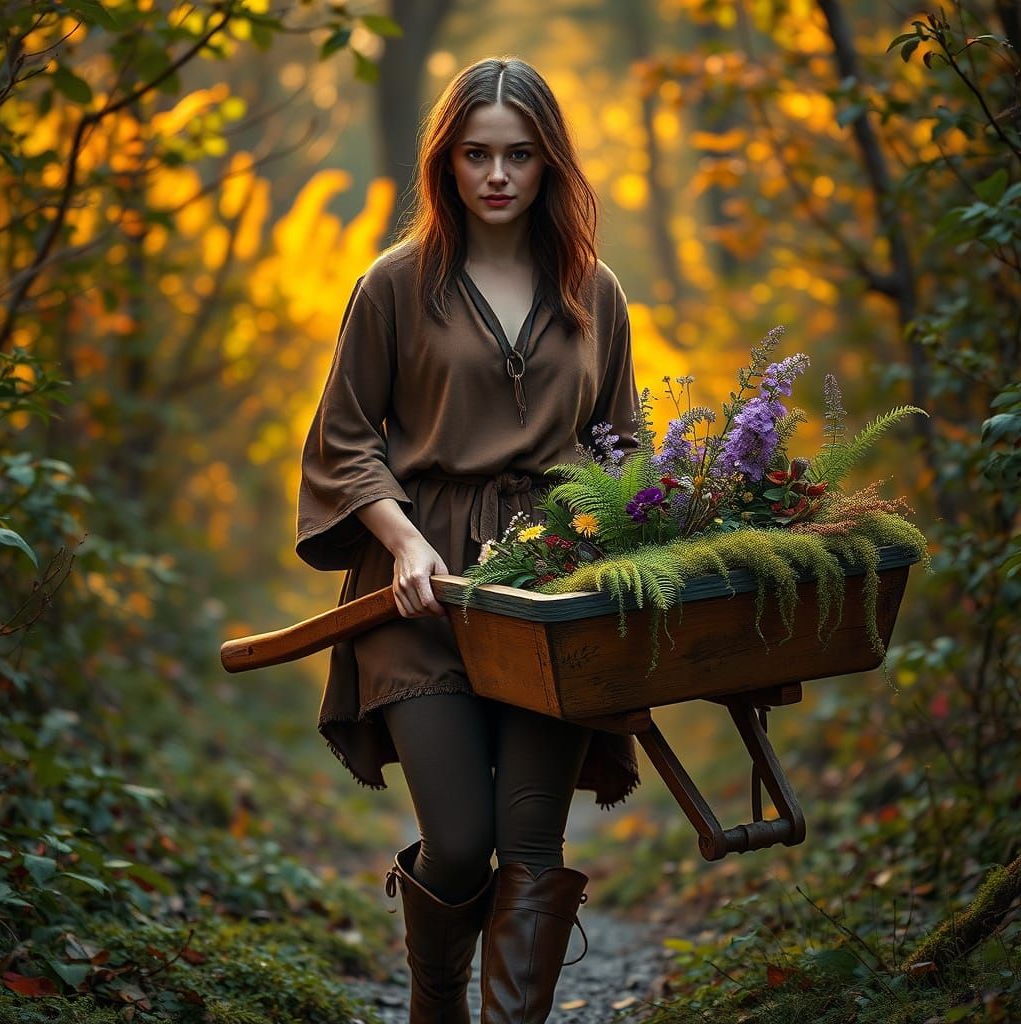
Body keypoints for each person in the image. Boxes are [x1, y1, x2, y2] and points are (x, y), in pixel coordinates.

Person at [295, 55, 642, 1023]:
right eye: (477, 154)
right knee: (457, 840)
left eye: (519, 155)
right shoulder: (393, 285)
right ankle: (434, 1002)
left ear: (548, 165)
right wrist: (403, 542)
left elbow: (621, 446)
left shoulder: (594, 290)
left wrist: (632, 543)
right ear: (446, 163)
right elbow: (345, 436)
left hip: (550, 596)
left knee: (532, 849)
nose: (497, 174)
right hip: (423, 586)